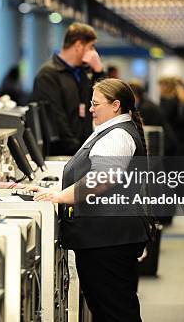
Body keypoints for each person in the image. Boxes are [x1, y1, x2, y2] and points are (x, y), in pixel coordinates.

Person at [30, 78, 149, 322]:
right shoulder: (111, 131)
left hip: (107, 240)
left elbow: (103, 178)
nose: (91, 109)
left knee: (115, 311)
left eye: (96, 104)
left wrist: (61, 196)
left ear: (115, 105)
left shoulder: (118, 136)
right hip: (105, 237)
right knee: (111, 308)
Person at [31, 22, 105, 155]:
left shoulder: (85, 72)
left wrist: (99, 71)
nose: (93, 52)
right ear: (78, 45)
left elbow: (105, 101)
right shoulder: (48, 75)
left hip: (83, 151)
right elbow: (56, 118)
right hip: (61, 154)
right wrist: (78, 152)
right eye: (91, 47)